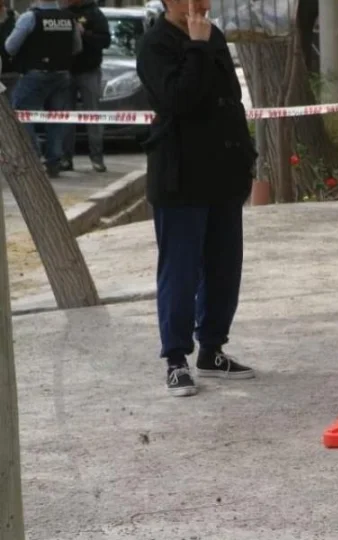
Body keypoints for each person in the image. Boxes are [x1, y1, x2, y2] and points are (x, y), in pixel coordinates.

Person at [135, 0, 257, 397]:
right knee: (181, 272)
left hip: (223, 175)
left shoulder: (212, 34)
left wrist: (246, 158)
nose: (204, 3)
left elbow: (230, 101)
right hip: (181, 177)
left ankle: (212, 349)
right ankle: (176, 360)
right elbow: (178, 100)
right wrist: (197, 47)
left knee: (224, 269)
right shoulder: (156, 43)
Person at [4, 0, 82, 177]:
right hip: (62, 74)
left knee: (21, 114)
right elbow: (77, 47)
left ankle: (33, 156)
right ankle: (54, 161)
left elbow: (10, 46)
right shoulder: (69, 18)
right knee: (57, 119)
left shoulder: (30, 17)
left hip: (35, 73)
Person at [61, 0, 110, 173]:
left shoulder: (94, 14)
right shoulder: (62, 13)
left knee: (92, 116)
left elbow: (105, 41)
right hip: (66, 72)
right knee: (65, 117)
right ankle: (65, 158)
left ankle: (97, 158)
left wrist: (85, 33)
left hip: (89, 71)